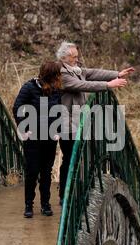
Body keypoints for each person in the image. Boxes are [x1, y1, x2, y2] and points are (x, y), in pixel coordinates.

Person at [55, 41, 135, 205]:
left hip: (80, 123)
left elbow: (93, 73)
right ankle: (65, 195)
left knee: (85, 159)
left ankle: (81, 192)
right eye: (73, 57)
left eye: (77, 56)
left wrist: (117, 74)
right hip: (67, 125)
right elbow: (82, 85)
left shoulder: (76, 70)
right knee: (70, 159)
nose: (77, 59)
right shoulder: (62, 74)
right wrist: (107, 85)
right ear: (64, 58)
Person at [12, 61, 62, 218]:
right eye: (56, 75)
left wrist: (58, 131)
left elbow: (60, 110)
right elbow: (17, 107)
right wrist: (23, 129)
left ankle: (45, 205)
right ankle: (28, 205)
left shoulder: (56, 89)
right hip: (32, 138)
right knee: (32, 172)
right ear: (50, 75)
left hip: (50, 138)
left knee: (46, 172)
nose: (59, 78)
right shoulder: (29, 87)